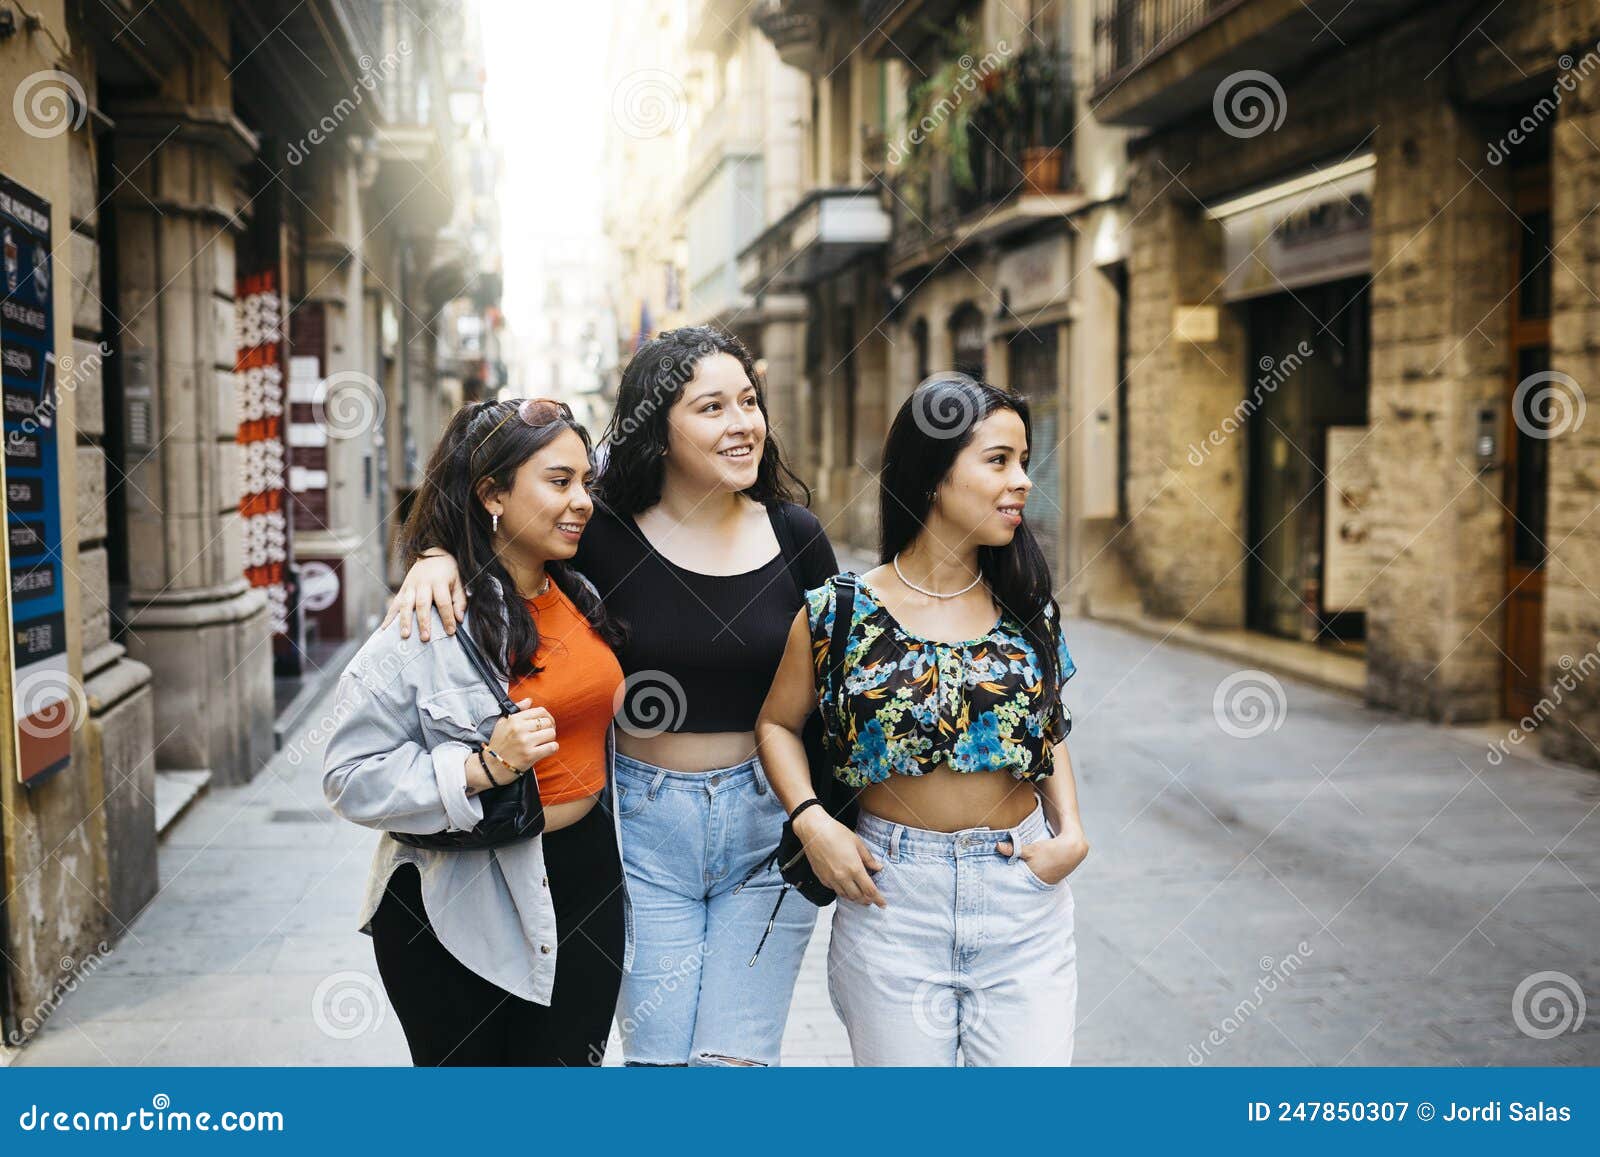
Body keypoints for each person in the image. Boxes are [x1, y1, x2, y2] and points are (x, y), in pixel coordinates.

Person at [383, 327, 837, 1067]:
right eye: (712, 406)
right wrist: (434, 554)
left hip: (765, 824)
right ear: (659, 429)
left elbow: (836, 689)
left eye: (749, 401)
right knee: (657, 1063)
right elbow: (504, 528)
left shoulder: (797, 536)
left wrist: (825, 817)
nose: (742, 422)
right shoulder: (602, 535)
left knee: (736, 1067)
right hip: (643, 827)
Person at [755, 373, 1090, 1066]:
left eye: (1023, 461)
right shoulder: (837, 612)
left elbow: (1047, 727)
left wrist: (1072, 832)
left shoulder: (1028, 606)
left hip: (1022, 895)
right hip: (893, 901)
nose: (1023, 479)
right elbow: (777, 725)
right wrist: (812, 820)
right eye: (999, 460)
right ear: (935, 477)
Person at [323, 398, 631, 1066]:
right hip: (462, 904)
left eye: (587, 483)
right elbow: (347, 773)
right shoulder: (433, 614)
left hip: (586, 884)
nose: (582, 501)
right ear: (492, 492)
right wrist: (480, 767)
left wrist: (432, 544)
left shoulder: (580, 589)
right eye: (559, 481)